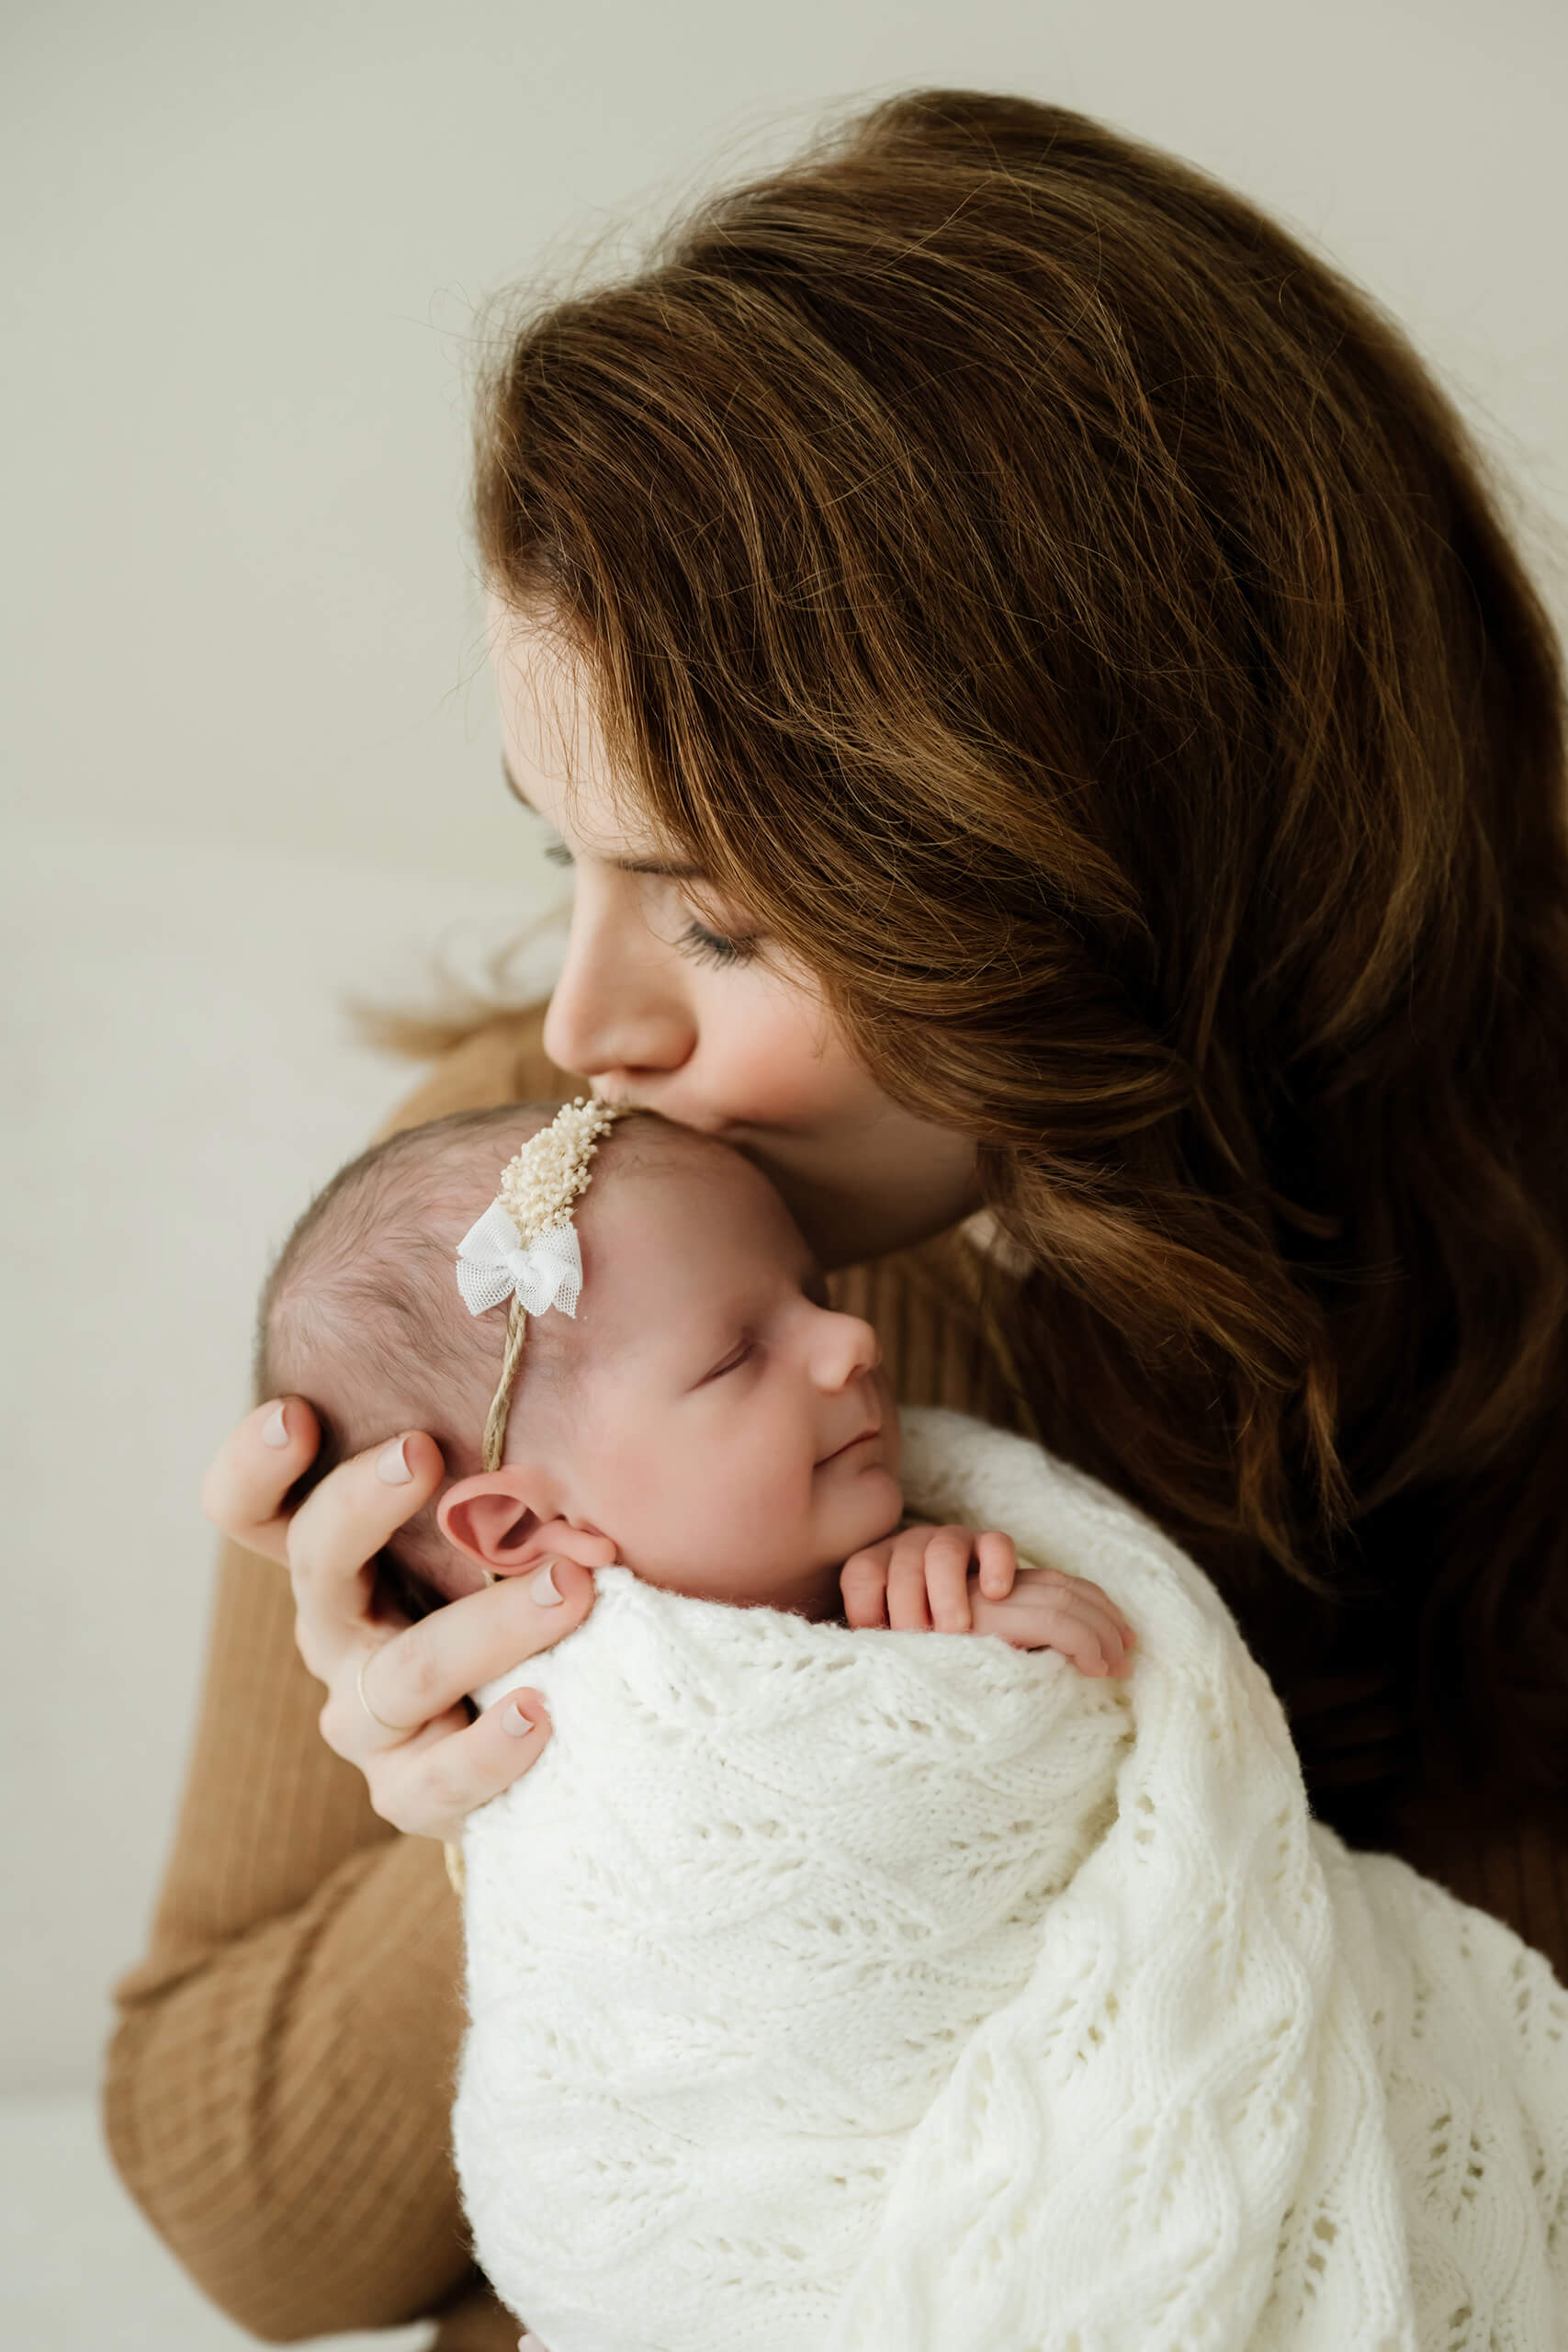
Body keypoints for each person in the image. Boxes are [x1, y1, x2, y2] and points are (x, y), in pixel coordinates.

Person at [105, 88, 1568, 2351]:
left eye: (714, 916)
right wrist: (545, 1775)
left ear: (1115, 885)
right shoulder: (501, 1230)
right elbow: (251, 2222)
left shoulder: (1494, 1236)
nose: (589, 1021)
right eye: (557, 852)